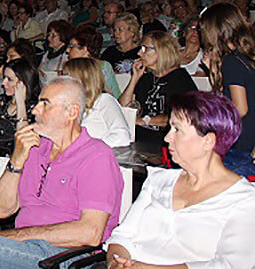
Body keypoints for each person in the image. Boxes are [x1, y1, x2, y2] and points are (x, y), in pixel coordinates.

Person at [0, 77, 123, 269]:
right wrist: (16, 160)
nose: (34, 110)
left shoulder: (96, 156)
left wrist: (14, 236)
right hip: (24, 249)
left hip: (65, 255)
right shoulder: (35, 148)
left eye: (45, 104)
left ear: (72, 112)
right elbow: (2, 210)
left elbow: (90, 233)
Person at [105, 92, 255, 268]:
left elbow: (231, 265)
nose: (168, 137)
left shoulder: (243, 199)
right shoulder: (158, 180)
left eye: (177, 130)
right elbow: (122, 236)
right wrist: (117, 264)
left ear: (208, 141)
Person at [199, 2, 255, 176]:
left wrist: (216, 126)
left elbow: (240, 108)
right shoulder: (245, 57)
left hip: (240, 144)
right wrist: (213, 73)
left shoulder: (231, 62)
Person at [119, 30, 197, 128]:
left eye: (145, 49)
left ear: (161, 51)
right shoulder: (146, 77)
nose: (139, 53)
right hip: (141, 135)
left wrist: (144, 121)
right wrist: (134, 79)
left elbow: (182, 116)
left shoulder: (179, 78)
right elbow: (122, 108)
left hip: (165, 137)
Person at [63, 58, 131, 147]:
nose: (62, 81)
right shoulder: (69, 103)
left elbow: (122, 136)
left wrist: (90, 148)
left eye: (66, 77)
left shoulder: (103, 100)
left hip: (92, 156)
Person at [67, 26, 121, 99]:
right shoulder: (70, 68)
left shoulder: (104, 67)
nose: (68, 50)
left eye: (72, 46)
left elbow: (114, 97)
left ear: (84, 49)